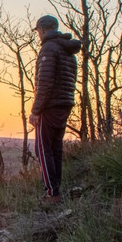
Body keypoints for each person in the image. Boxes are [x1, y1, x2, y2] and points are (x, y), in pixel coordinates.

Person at [29, 15, 81, 204]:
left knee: (43, 148)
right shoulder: (67, 50)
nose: (39, 35)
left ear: (42, 30)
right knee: (55, 148)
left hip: (50, 106)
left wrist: (36, 110)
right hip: (65, 103)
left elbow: (45, 82)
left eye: (39, 31)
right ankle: (55, 189)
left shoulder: (49, 49)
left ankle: (52, 193)